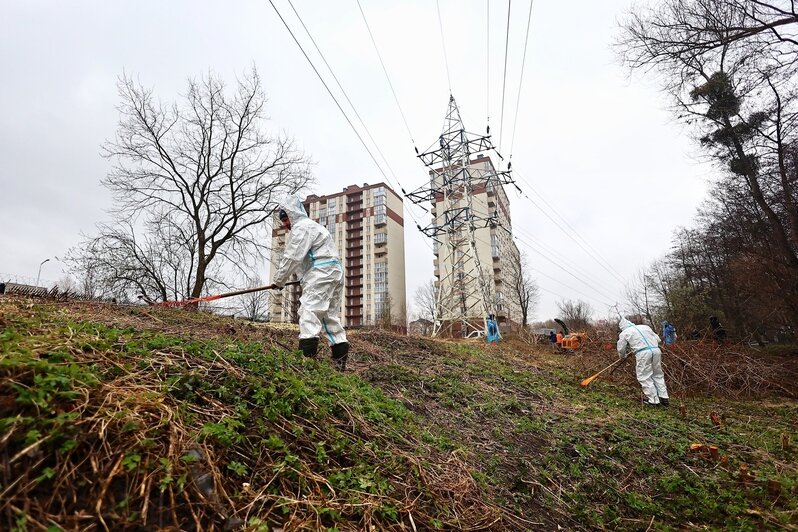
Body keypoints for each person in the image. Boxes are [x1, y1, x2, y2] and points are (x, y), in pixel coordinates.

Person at [272, 195, 349, 371]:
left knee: (309, 312)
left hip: (321, 273)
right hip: (334, 273)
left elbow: (292, 257)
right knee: (329, 316)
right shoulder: (316, 227)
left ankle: (306, 365)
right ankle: (340, 365)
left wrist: (278, 281)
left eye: (285, 219)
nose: (285, 224)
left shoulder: (301, 228)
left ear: (292, 215)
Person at [617, 318, 670, 407]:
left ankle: (653, 401)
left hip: (643, 353)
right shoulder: (645, 327)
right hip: (656, 350)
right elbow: (658, 339)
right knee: (657, 374)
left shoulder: (625, 333)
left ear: (622, 327)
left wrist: (623, 356)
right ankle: (664, 398)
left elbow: (621, 349)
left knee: (644, 376)